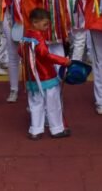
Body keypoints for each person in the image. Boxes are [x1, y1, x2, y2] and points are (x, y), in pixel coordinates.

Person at [20, 8, 72, 140]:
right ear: (35, 22)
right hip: (46, 76)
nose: (47, 27)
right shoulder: (39, 38)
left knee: (35, 103)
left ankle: (36, 130)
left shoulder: (26, 36)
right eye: (45, 24)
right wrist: (64, 61)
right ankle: (57, 129)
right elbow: (45, 55)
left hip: (32, 77)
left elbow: (20, 52)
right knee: (53, 103)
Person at [0, 0, 28, 103]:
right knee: (13, 54)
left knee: (30, 53)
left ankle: (31, 86)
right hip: (11, 17)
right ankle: (14, 89)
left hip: (30, 17)